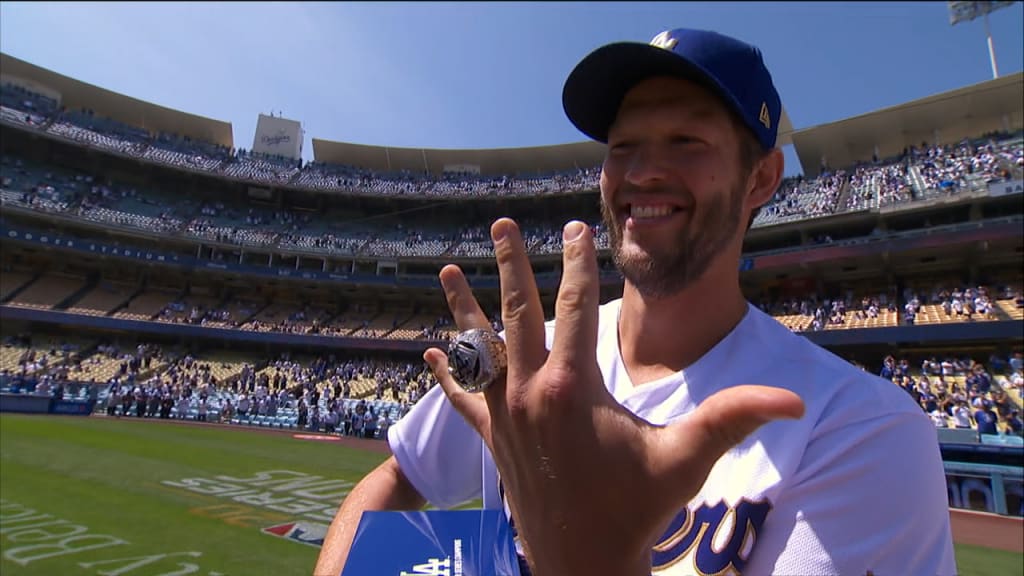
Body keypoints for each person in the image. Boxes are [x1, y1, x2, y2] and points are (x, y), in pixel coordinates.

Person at [315, 28, 955, 576]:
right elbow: (394, 479)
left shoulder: (861, 430)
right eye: (623, 147)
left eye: (686, 141)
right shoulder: (531, 363)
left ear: (760, 177)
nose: (643, 171)